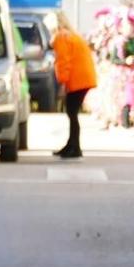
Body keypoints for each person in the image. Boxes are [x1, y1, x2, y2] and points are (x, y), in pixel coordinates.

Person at [50, 11, 96, 160]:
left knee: (72, 113)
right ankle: (71, 145)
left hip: (77, 79)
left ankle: (74, 147)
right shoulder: (71, 35)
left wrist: (63, 82)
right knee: (72, 113)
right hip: (84, 77)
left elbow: (63, 61)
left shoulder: (61, 37)